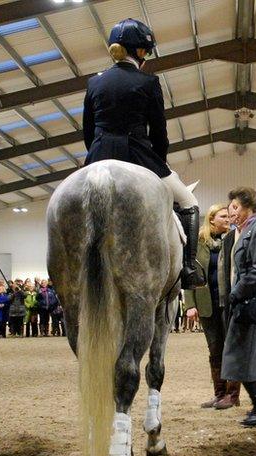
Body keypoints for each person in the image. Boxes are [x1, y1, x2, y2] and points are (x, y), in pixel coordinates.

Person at [82, 18, 204, 290]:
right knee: (188, 202)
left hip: (98, 155)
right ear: (139, 52)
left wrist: (97, 156)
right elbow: (159, 133)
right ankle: (188, 268)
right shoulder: (148, 82)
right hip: (137, 154)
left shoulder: (94, 82)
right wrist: (159, 162)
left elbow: (88, 131)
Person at [221, 187, 256, 428]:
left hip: (252, 299)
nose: (230, 212)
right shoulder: (245, 231)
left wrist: (237, 292)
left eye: (234, 207)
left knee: (240, 354)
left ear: (248, 208)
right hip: (250, 297)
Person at [185, 204, 241, 410]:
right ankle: (219, 394)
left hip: (230, 304)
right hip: (207, 305)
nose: (228, 219)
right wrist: (190, 305)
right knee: (215, 350)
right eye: (223, 216)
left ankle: (233, 395)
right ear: (211, 219)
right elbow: (190, 274)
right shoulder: (198, 242)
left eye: (228, 216)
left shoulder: (235, 238)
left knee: (232, 349)